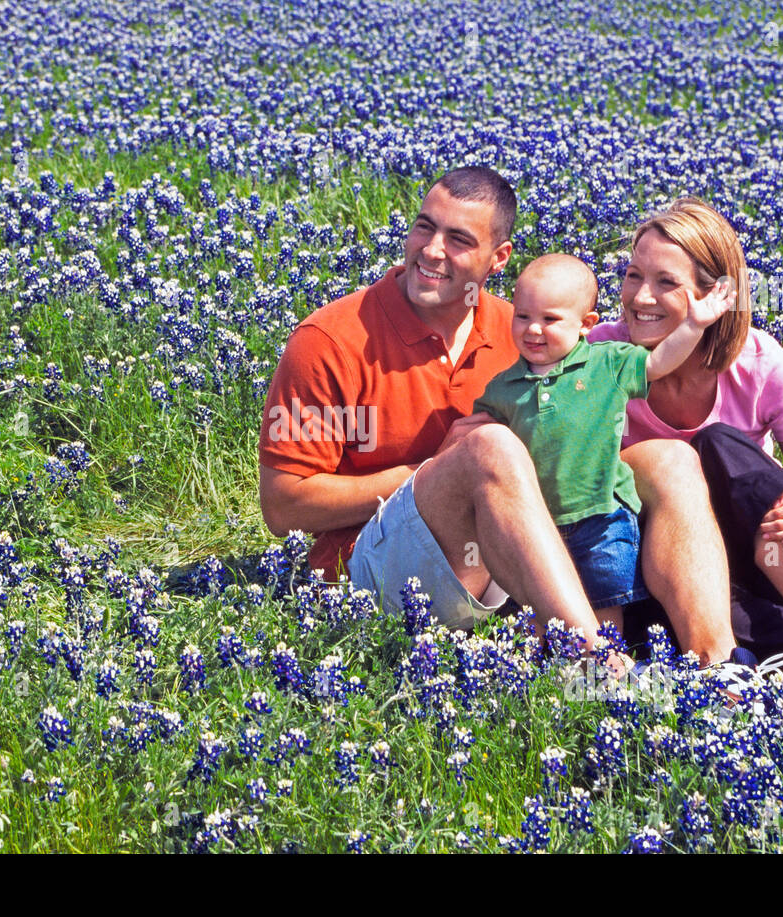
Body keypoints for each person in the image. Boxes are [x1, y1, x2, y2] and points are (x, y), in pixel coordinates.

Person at [258, 167, 755, 680]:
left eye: (458, 240)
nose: (431, 251)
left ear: (499, 258)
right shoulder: (327, 341)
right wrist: (435, 469)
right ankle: (593, 664)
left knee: (670, 458)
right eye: (424, 227)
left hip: (515, 564)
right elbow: (283, 507)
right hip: (379, 574)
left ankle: (718, 667)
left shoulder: (525, 327)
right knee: (492, 446)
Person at [590, 197, 783, 679]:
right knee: (704, 638)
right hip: (671, 569)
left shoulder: (760, 364)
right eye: (633, 275)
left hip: (774, 549)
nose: (640, 297)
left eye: (665, 282)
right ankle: (771, 657)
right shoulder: (598, 358)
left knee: (716, 443)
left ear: (716, 295)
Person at [472, 253, 731, 633]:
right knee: (542, 605)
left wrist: (693, 324)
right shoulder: (502, 388)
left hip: (603, 515)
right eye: (523, 316)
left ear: (586, 325)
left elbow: (659, 363)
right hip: (539, 521)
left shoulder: (607, 362)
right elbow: (482, 445)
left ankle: (605, 677)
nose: (533, 329)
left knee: (604, 603)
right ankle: (546, 681)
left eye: (550, 319)